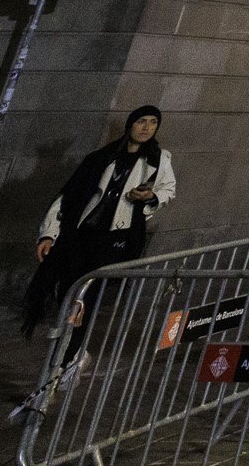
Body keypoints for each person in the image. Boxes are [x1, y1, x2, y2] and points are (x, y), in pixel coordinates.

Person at [21, 106, 176, 367]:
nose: (147, 128)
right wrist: (48, 234)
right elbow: (69, 197)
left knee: (86, 296)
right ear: (130, 125)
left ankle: (67, 359)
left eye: (152, 123)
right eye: (141, 121)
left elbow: (168, 190)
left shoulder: (159, 159)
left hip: (117, 238)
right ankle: (73, 352)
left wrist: (149, 197)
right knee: (67, 290)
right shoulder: (102, 157)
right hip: (83, 234)